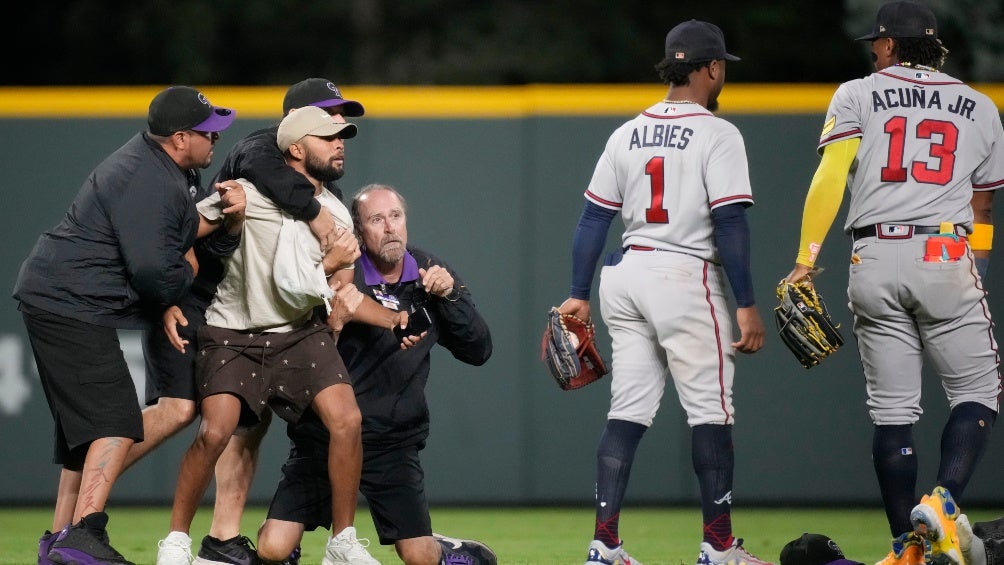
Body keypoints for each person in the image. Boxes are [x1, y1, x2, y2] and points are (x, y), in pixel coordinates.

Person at [781, 2, 1003, 565]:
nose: (871, 50)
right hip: (944, 249)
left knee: (892, 411)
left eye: (874, 43)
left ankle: (905, 548)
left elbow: (831, 175)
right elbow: (983, 202)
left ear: (888, 46)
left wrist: (806, 259)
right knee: (979, 390)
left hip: (872, 255)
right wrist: (973, 264)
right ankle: (946, 503)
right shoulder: (980, 106)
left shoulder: (857, 93)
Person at [556, 19, 768, 565]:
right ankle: (720, 547)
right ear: (712, 68)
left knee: (627, 411)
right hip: (684, 275)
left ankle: (604, 543)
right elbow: (731, 225)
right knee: (711, 413)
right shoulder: (719, 133)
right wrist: (746, 302)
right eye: (722, 68)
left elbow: (591, 219)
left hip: (624, 276)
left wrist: (578, 292)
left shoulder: (626, 132)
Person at [156, 106, 402, 565]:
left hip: (298, 335)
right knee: (216, 432)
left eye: (340, 137)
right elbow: (185, 232)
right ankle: (175, 540)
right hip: (232, 333)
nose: (339, 143)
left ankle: (342, 542)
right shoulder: (244, 193)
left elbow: (337, 291)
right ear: (295, 149)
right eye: (327, 137)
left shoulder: (334, 212)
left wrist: (347, 293)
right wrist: (171, 289)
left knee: (347, 421)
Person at [13, 85, 236, 565]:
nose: (215, 139)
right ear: (179, 138)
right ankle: (83, 535)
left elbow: (171, 236)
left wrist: (217, 219)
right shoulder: (149, 179)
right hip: (68, 303)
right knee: (114, 420)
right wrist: (185, 280)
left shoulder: (164, 168)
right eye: (207, 132)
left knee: (89, 433)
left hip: (64, 300)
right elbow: (154, 271)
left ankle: (60, 540)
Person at [254, 184, 496, 565]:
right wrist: (333, 325)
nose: (389, 228)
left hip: (391, 443)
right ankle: (290, 548)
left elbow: (479, 350)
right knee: (271, 548)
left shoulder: (431, 275)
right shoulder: (337, 276)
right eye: (376, 219)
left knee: (420, 558)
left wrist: (450, 299)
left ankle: (447, 549)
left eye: (396, 216)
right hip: (325, 439)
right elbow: (298, 362)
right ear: (358, 229)